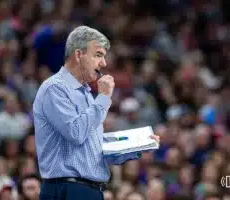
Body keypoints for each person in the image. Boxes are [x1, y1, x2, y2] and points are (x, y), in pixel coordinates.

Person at [33, 25, 160, 200]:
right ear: (78, 55)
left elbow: (93, 148)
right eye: (98, 55)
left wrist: (138, 145)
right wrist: (103, 97)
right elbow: (76, 133)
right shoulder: (55, 88)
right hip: (67, 189)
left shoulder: (86, 93)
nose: (104, 63)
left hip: (90, 189)